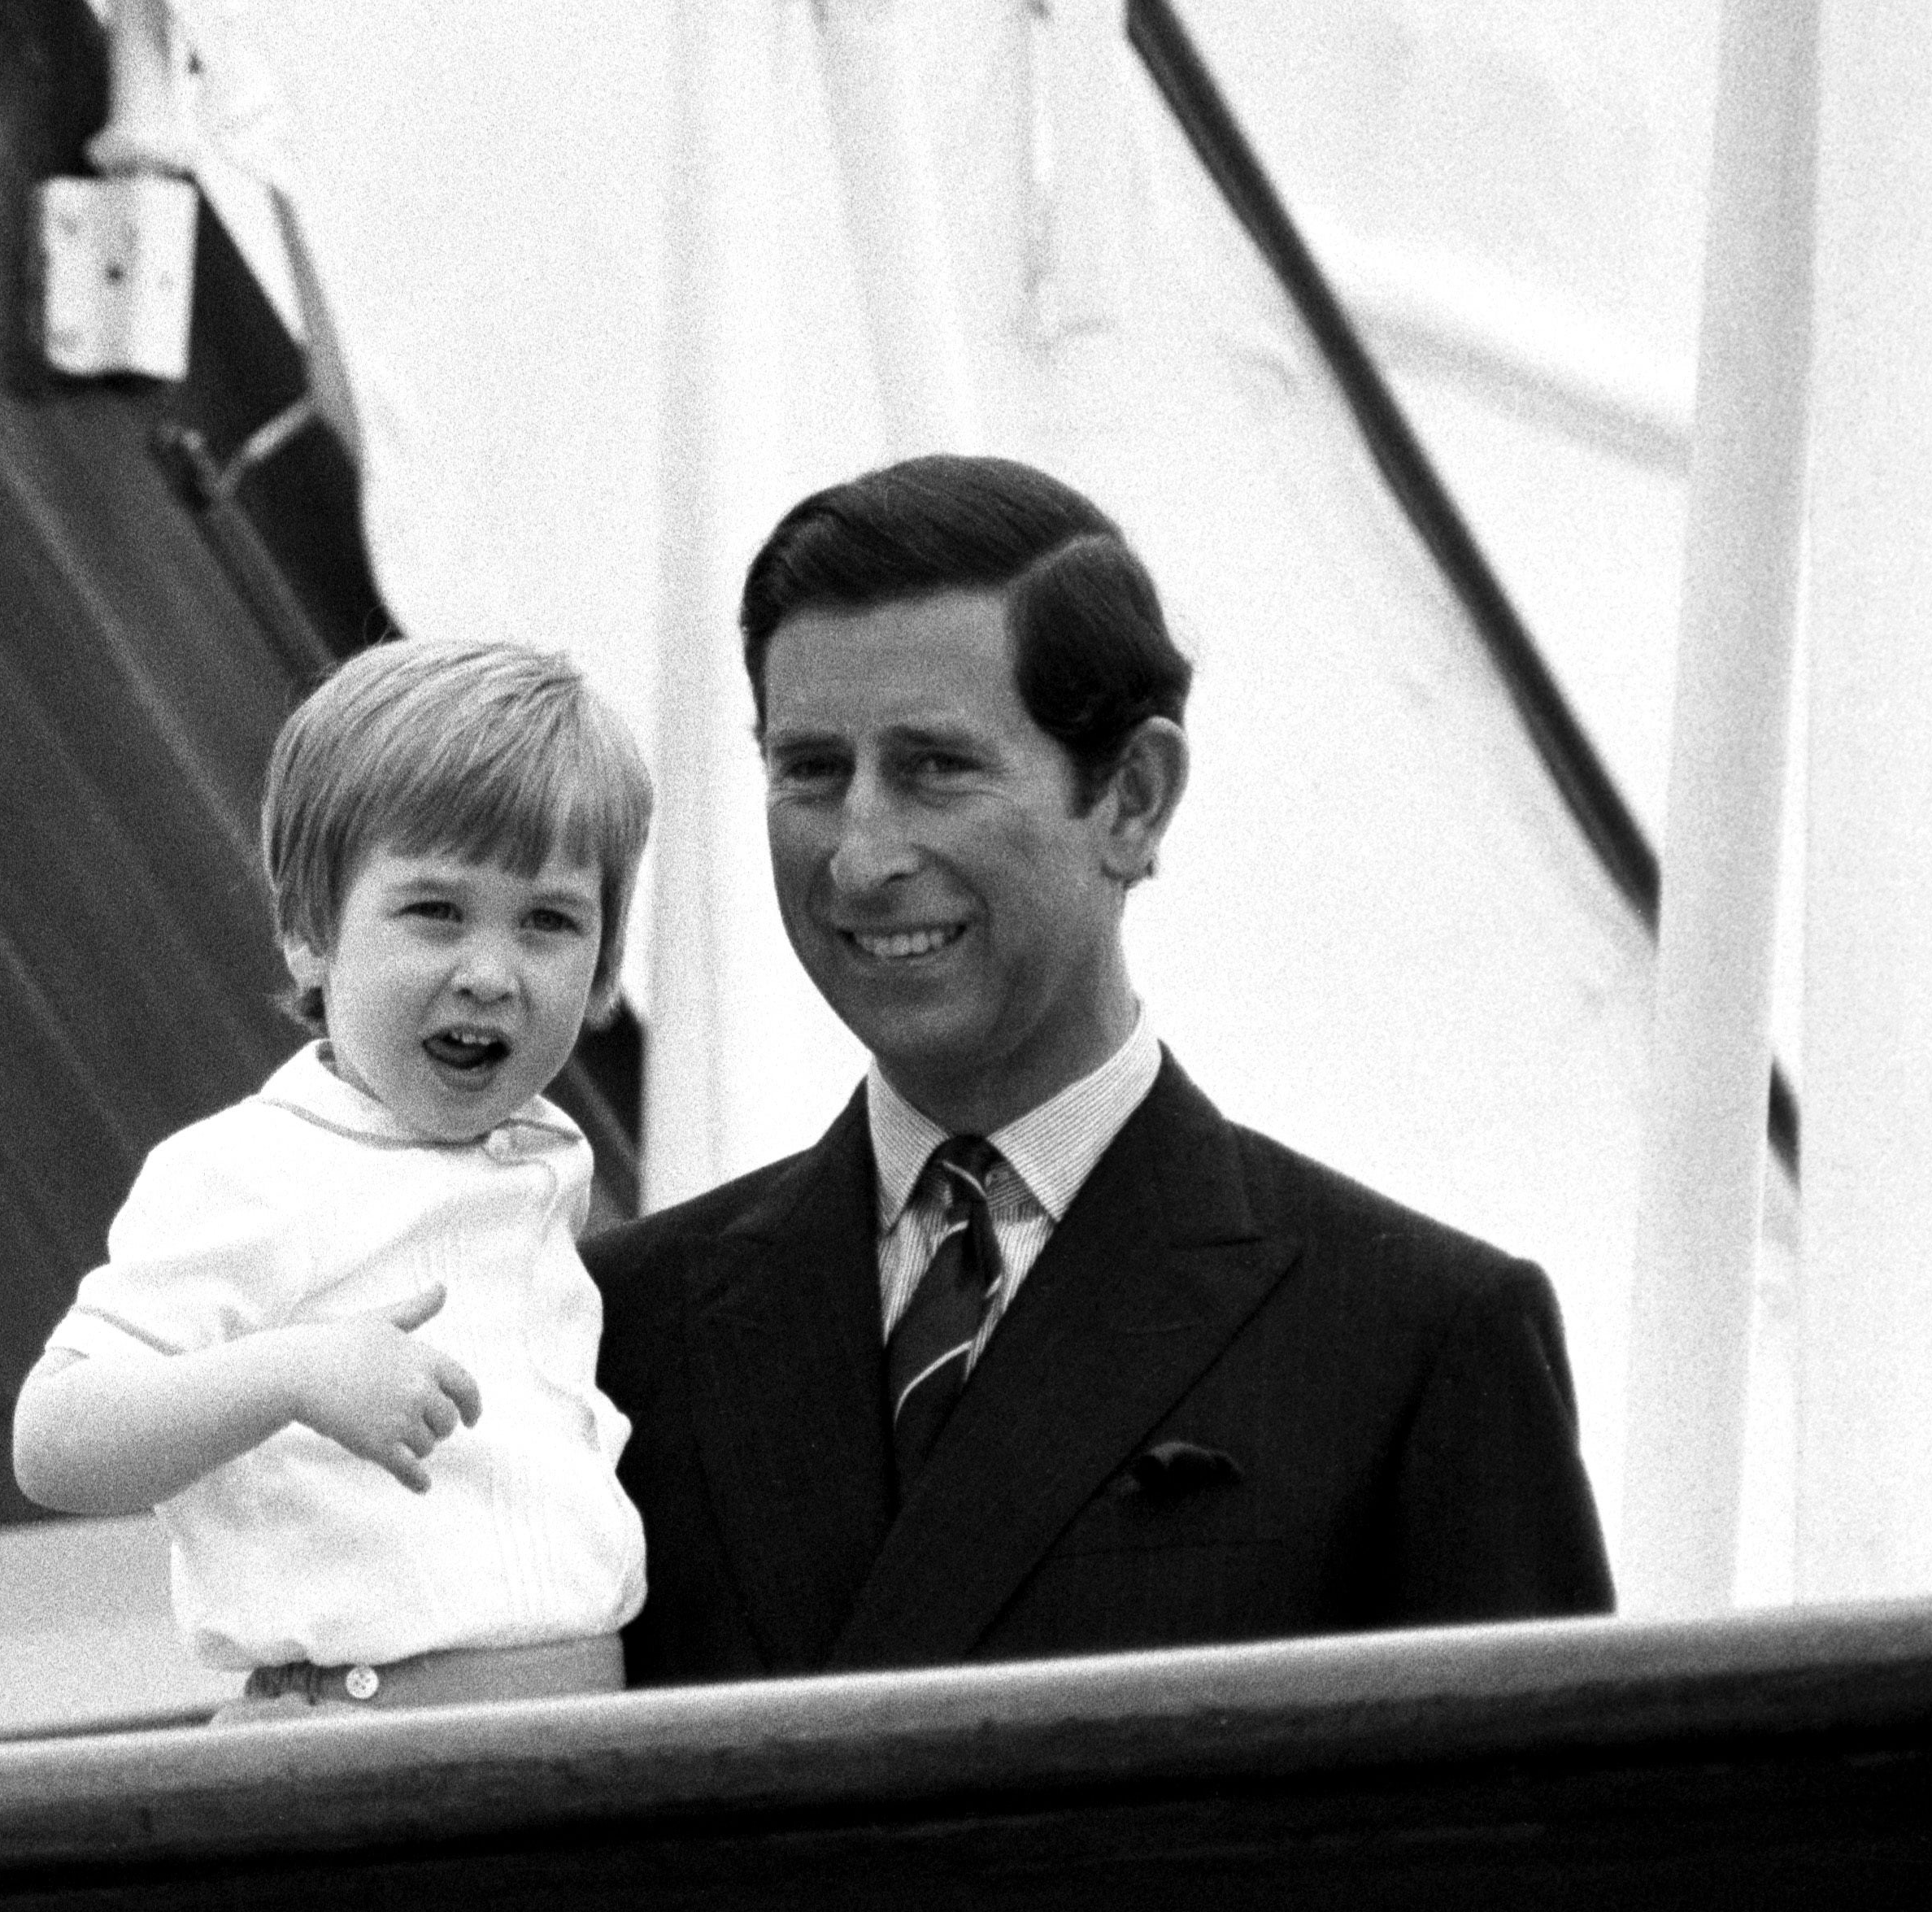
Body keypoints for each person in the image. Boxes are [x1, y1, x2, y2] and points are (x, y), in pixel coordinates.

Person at [590, 455, 1614, 1683]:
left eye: (934, 767)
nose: (859, 857)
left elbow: (1540, 1863)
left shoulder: (1414, 1345)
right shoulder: (614, 1331)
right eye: (810, 770)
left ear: (1132, 797)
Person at [14, 637, 655, 1718]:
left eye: (547, 920)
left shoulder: (541, 1161)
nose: (490, 973)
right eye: (435, 911)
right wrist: (294, 1372)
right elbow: (54, 1437)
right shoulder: (257, 1167)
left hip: (575, 1748)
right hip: (361, 1740)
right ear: (310, 934)